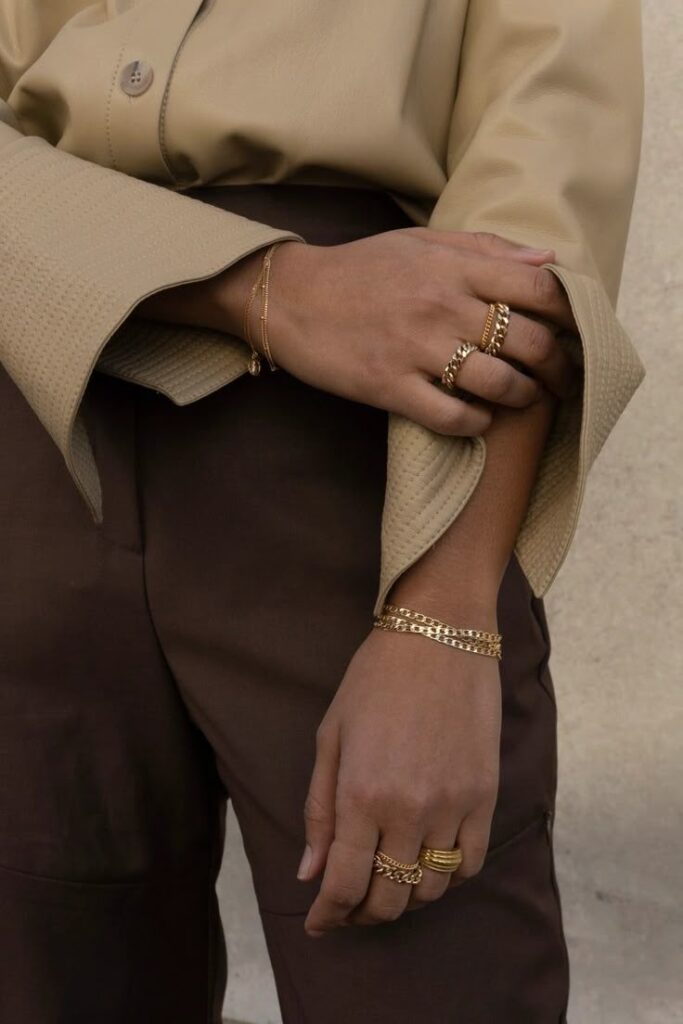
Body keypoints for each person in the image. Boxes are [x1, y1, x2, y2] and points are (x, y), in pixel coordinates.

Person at [0, 2, 644, 1022]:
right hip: (34, 400)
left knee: (422, 969)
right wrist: (272, 291)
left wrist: (442, 612)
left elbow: (532, 223)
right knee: (45, 962)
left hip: (379, 438)